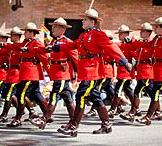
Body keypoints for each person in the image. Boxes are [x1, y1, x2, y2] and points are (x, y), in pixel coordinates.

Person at [46, 9, 132, 137]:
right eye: (83, 19)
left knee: (81, 96)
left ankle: (74, 126)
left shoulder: (98, 34)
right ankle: (106, 124)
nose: (82, 21)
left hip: (93, 70)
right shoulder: (83, 35)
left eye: (85, 19)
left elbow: (111, 47)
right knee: (96, 98)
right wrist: (56, 47)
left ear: (93, 22)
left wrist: (124, 61)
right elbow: (73, 45)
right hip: (85, 70)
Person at [29, 17, 77, 130]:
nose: (52, 28)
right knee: (67, 97)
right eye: (53, 26)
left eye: (55, 26)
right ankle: (74, 120)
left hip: (62, 73)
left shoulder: (67, 42)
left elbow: (76, 58)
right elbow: (45, 50)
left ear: (62, 29)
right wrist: (30, 50)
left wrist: (78, 73)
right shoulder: (53, 41)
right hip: (56, 72)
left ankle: (44, 119)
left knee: (54, 94)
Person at [0, 22, 49, 127]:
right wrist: (4, 44)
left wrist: (49, 71)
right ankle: (48, 115)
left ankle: (18, 119)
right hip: (26, 73)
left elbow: (44, 56)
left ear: (32, 32)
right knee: (36, 95)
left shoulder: (36, 42)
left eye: (26, 31)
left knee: (21, 95)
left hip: (31, 73)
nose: (24, 33)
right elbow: (17, 46)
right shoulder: (26, 42)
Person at [119, 22, 162, 122]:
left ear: (148, 33)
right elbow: (134, 53)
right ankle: (158, 112)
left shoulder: (150, 44)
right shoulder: (142, 43)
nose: (140, 32)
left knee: (137, 91)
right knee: (152, 93)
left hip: (147, 71)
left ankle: (132, 112)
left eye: (142, 31)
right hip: (142, 71)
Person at [107, 25, 136, 119]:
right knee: (128, 90)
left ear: (126, 34)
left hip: (126, 71)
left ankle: (112, 109)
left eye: (121, 33)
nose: (119, 35)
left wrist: (131, 45)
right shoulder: (121, 44)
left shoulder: (130, 44)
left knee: (118, 90)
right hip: (121, 70)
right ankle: (136, 107)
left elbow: (134, 55)